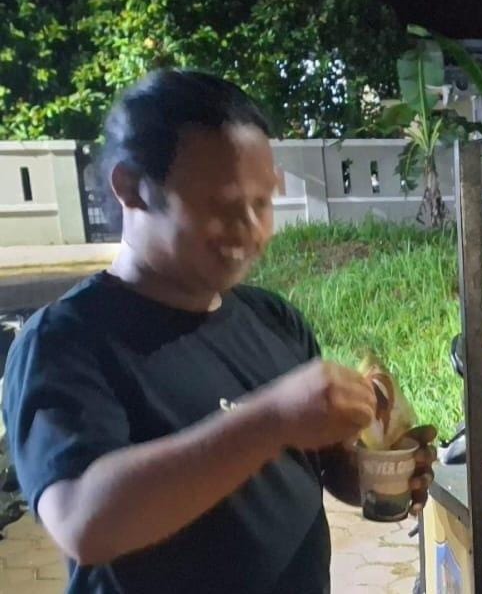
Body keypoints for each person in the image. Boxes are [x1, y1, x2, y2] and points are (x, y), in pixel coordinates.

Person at [2, 70, 435, 593]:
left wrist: (372, 471)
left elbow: (315, 469)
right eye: (224, 206)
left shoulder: (273, 319)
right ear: (132, 188)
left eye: (263, 203)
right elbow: (84, 523)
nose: (252, 230)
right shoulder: (66, 342)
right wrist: (270, 419)